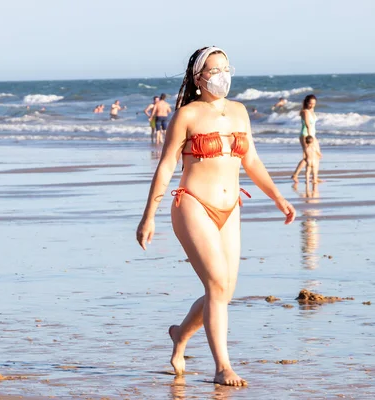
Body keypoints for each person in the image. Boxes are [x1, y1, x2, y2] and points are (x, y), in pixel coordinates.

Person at [136, 46, 296, 387]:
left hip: (231, 208)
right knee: (218, 285)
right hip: (192, 203)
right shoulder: (187, 115)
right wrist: (148, 216)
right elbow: (165, 167)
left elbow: (251, 160)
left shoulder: (239, 112)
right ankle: (223, 367)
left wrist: (279, 197)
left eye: (226, 68)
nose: (222, 75)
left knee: (223, 290)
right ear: (199, 77)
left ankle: (180, 335)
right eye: (214, 70)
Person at [291, 94, 321, 183]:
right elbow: (308, 125)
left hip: (313, 135)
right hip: (306, 135)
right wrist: (310, 138)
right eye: (310, 103)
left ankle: (315, 177)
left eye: (314, 103)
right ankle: (295, 175)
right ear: (307, 102)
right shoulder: (305, 112)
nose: (312, 105)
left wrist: (313, 137)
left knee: (317, 156)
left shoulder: (312, 111)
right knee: (307, 157)